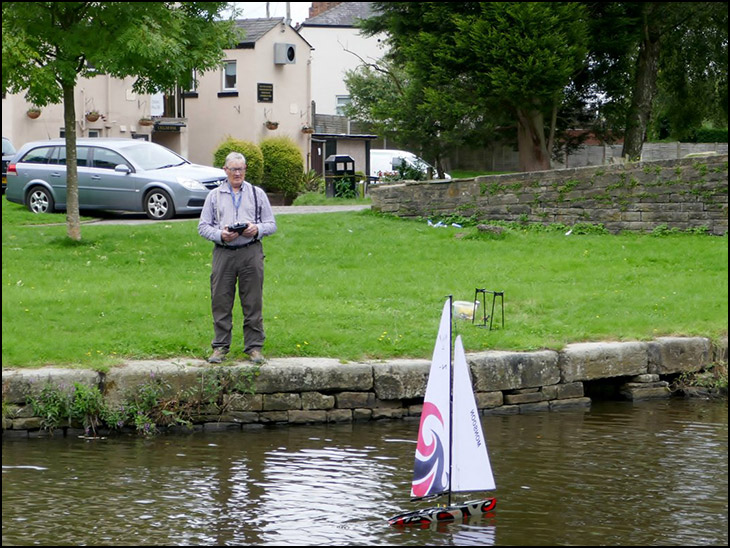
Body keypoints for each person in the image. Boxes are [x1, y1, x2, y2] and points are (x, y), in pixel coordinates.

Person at [198, 152, 277, 364]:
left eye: (241, 169)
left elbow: (271, 224)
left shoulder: (256, 193)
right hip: (223, 252)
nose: (238, 173)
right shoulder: (214, 196)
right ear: (225, 170)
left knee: (252, 300)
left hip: (250, 251)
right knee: (221, 299)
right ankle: (220, 347)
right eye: (233, 169)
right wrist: (220, 235)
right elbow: (203, 226)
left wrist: (256, 229)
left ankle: (254, 347)